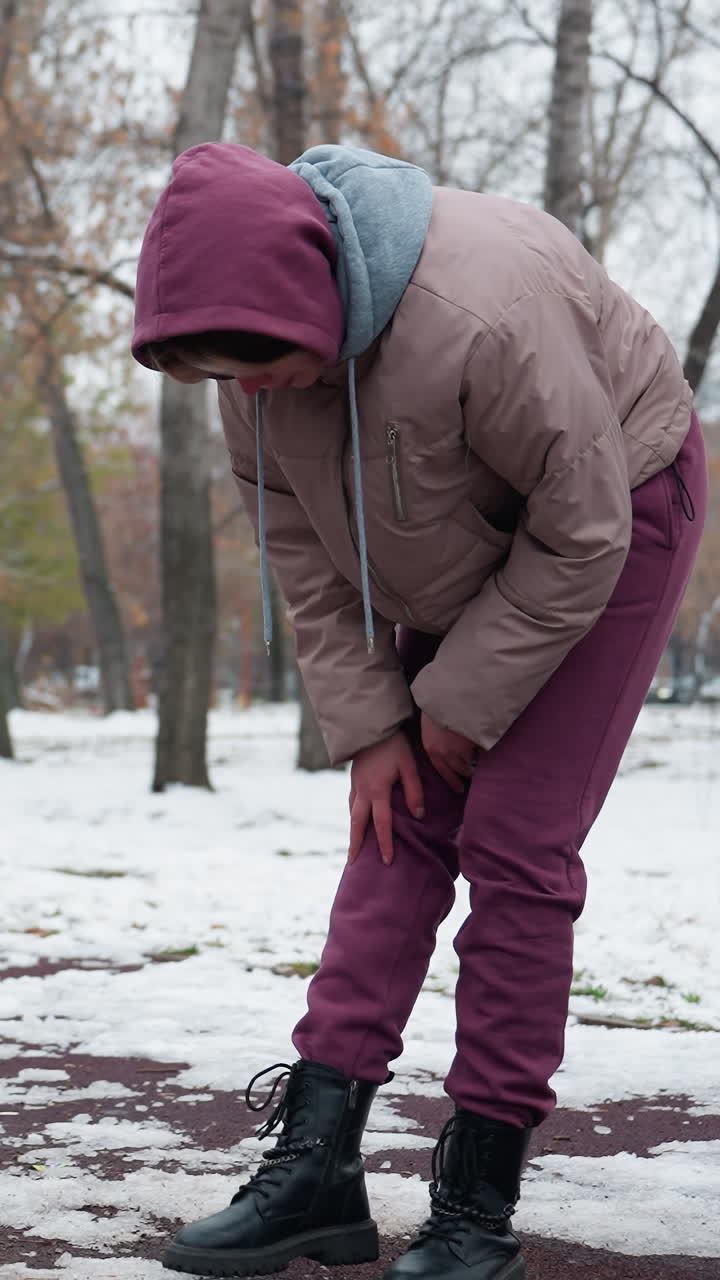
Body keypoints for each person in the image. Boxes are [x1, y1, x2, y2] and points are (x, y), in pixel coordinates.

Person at [132, 142, 707, 1280]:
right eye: (217, 375)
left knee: (517, 838)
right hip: (455, 540)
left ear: (316, 303)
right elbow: (298, 551)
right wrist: (374, 726)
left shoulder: (482, 311)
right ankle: (316, 1168)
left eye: (260, 364)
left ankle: (475, 1208)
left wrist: (455, 699)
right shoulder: (244, 375)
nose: (246, 391)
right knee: (397, 819)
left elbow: (582, 528)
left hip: (612, 505)